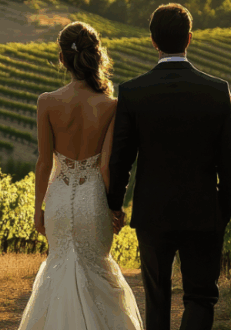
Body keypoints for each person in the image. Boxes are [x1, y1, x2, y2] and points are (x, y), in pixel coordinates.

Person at [106, 3, 231, 330]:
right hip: (203, 212)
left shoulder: (133, 92)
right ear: (189, 39)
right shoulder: (217, 91)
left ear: (153, 41)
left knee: (157, 297)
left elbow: (120, 160)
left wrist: (114, 205)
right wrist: (220, 214)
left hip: (153, 214)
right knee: (200, 297)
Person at [17, 21, 143, 330]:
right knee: (96, 272)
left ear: (62, 58)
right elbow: (105, 167)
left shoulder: (46, 102)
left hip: (58, 199)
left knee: (58, 269)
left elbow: (44, 163)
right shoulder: (111, 105)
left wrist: (38, 208)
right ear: (95, 57)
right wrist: (115, 207)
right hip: (93, 200)